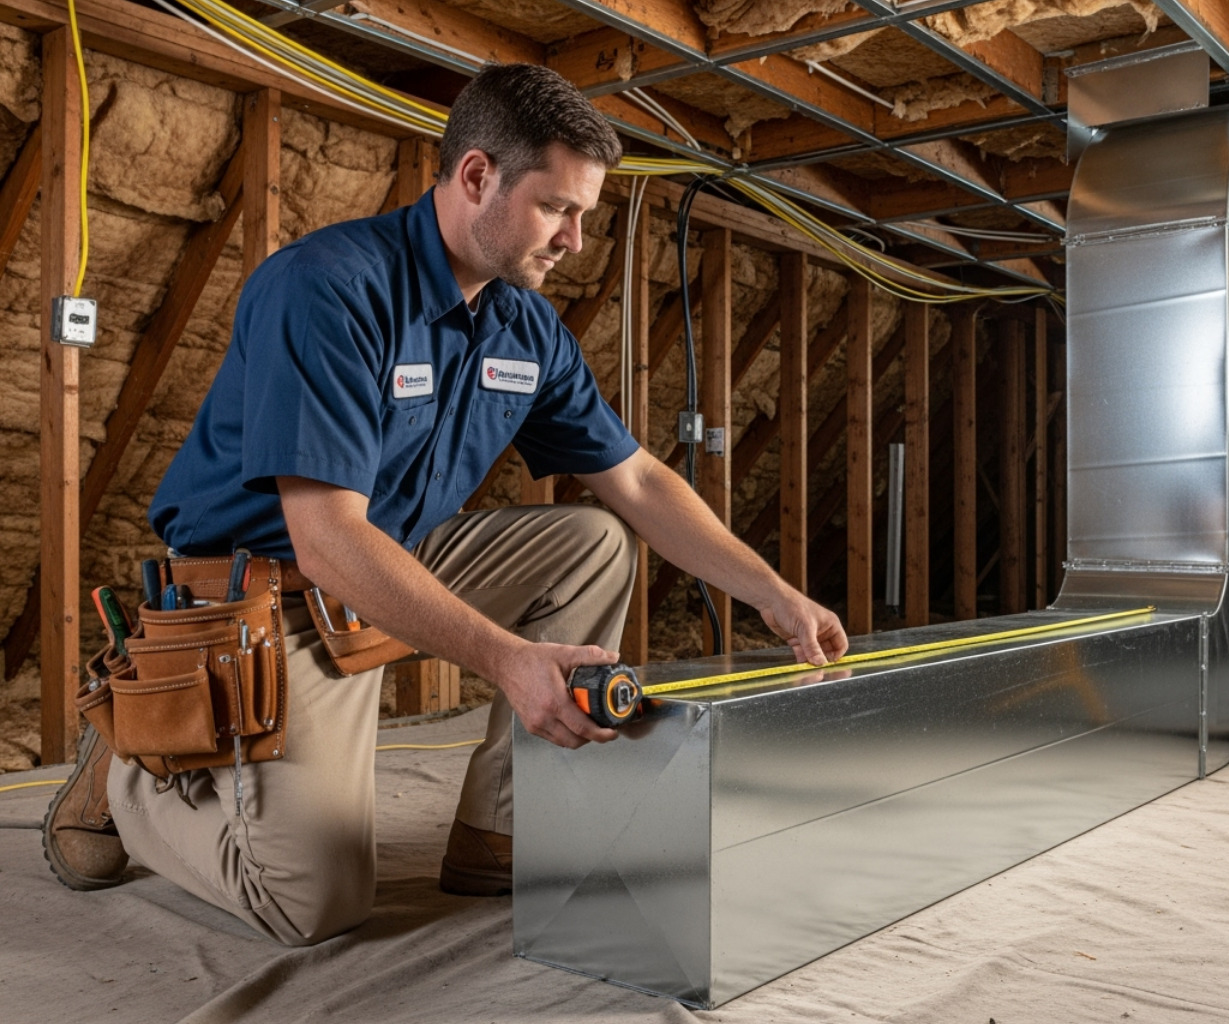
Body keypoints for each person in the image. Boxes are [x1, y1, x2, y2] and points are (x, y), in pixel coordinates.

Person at [42, 63, 848, 945]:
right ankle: (130, 756)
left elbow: (641, 481)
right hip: (256, 603)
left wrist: (776, 594)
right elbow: (325, 539)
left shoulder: (526, 328)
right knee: (309, 901)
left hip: (380, 566)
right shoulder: (330, 289)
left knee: (594, 540)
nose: (576, 241)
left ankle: (498, 829)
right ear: (475, 177)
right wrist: (510, 660)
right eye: (557, 209)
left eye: (585, 214)